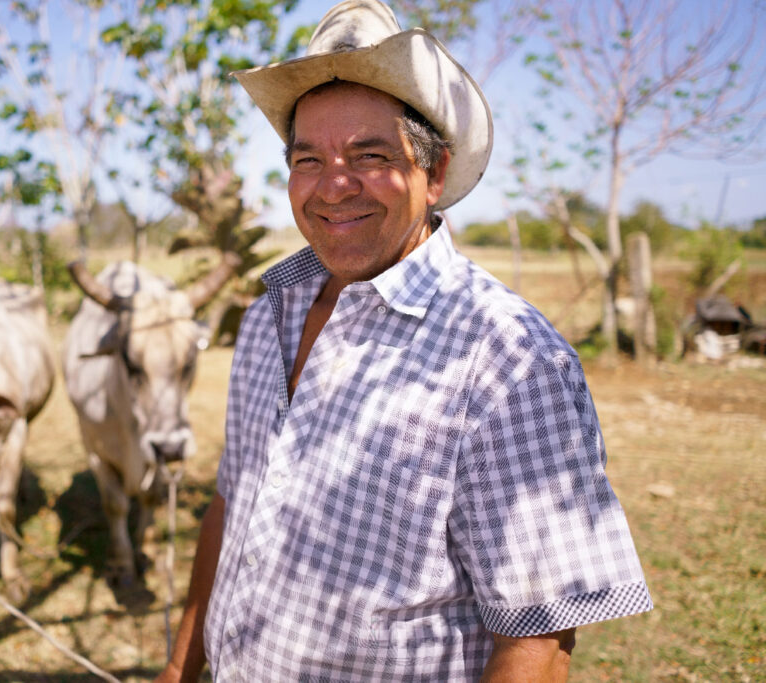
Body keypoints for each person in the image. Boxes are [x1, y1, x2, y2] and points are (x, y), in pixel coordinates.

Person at [156, 1, 652, 680]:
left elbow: (535, 640)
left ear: (435, 173)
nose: (334, 185)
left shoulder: (506, 358)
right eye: (309, 159)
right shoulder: (270, 312)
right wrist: (182, 666)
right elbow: (231, 503)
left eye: (371, 155)